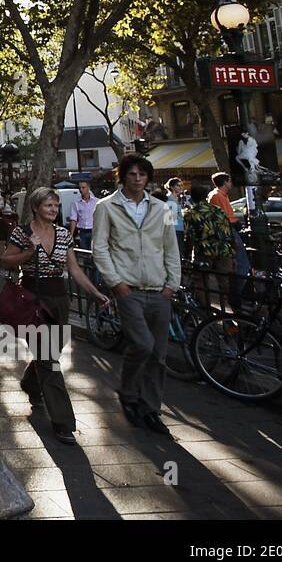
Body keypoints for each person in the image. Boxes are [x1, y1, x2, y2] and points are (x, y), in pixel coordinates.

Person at [0, 186, 109, 446]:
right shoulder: (22, 232)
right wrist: (28, 251)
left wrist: (94, 292)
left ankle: (30, 382)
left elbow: (74, 269)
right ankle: (63, 422)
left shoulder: (63, 234)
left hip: (59, 299)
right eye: (49, 205)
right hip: (33, 299)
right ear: (36, 207)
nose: (54, 210)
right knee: (50, 360)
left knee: (50, 355)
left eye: (56, 206)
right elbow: (6, 261)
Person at [92, 154, 181, 436]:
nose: (138, 178)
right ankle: (128, 394)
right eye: (132, 173)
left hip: (160, 289)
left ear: (148, 177)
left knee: (159, 355)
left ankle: (151, 408)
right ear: (123, 176)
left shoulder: (163, 207)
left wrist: (172, 284)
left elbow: (171, 246)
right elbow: (100, 247)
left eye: (142, 174)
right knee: (142, 344)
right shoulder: (106, 207)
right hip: (128, 290)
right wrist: (116, 283)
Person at [182, 184, 235, 308]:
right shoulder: (218, 210)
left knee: (201, 282)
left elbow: (190, 237)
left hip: (203, 251)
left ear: (192, 198)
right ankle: (232, 312)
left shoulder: (191, 213)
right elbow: (229, 231)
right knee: (225, 283)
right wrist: (232, 251)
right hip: (223, 250)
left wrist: (187, 255)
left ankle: (206, 312)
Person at [211, 171, 250, 305]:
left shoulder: (218, 195)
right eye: (229, 181)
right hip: (228, 231)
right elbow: (225, 217)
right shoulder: (218, 196)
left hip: (227, 230)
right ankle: (236, 294)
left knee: (237, 264)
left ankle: (237, 293)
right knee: (242, 264)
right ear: (225, 182)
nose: (231, 184)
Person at [165, 178, 186, 257]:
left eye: (181, 185)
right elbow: (169, 219)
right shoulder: (170, 200)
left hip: (180, 229)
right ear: (172, 187)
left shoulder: (178, 199)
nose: (180, 187)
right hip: (175, 230)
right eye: (178, 185)